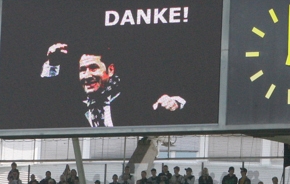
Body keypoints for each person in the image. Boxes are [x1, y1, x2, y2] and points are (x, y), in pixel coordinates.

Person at [40, 43, 186, 127]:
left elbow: (168, 105)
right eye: (82, 70)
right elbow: (44, 99)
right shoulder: (73, 104)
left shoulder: (134, 98)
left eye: (93, 68)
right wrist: (52, 63)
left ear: (110, 70)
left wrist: (175, 103)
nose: (87, 75)